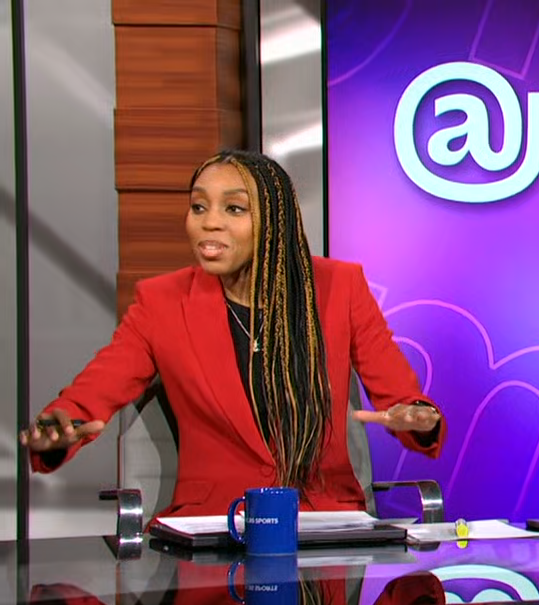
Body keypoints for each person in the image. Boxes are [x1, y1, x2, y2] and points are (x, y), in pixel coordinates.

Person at [19, 149, 446, 517]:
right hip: (214, 526)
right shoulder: (162, 302)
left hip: (321, 520)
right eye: (198, 207)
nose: (209, 223)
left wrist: (418, 418)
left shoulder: (340, 287)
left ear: (275, 221)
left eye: (234, 209)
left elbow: (402, 398)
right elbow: (93, 394)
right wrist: (58, 431)